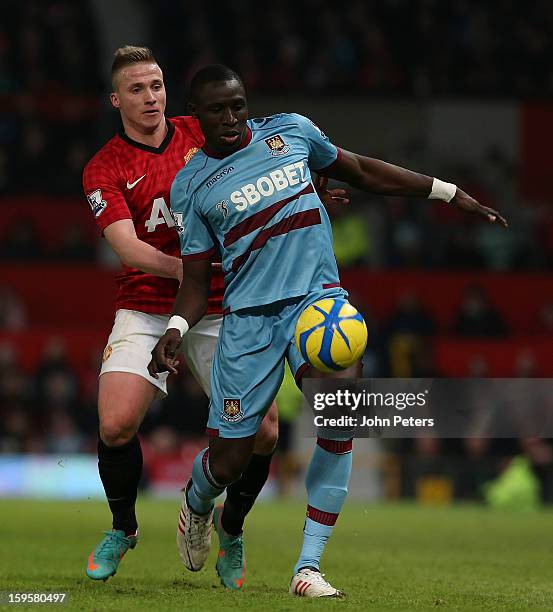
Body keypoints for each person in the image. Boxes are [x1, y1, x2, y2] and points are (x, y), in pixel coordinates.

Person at [149, 64, 507, 597]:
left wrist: (448, 192)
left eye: (238, 105)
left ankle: (308, 567)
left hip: (319, 306)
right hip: (248, 321)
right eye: (218, 109)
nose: (231, 117)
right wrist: (177, 326)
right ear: (195, 114)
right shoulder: (192, 184)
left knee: (340, 418)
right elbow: (197, 280)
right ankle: (199, 504)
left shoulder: (291, 131)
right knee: (228, 460)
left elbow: (360, 169)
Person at [82, 46, 287, 583]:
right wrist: (190, 271)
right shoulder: (105, 167)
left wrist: (310, 186)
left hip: (221, 307)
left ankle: (232, 530)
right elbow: (127, 248)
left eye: (156, 86)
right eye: (136, 89)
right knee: (117, 423)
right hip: (147, 305)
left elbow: (272, 155)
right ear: (115, 100)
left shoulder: (201, 131)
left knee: (264, 432)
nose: (149, 97)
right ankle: (123, 528)